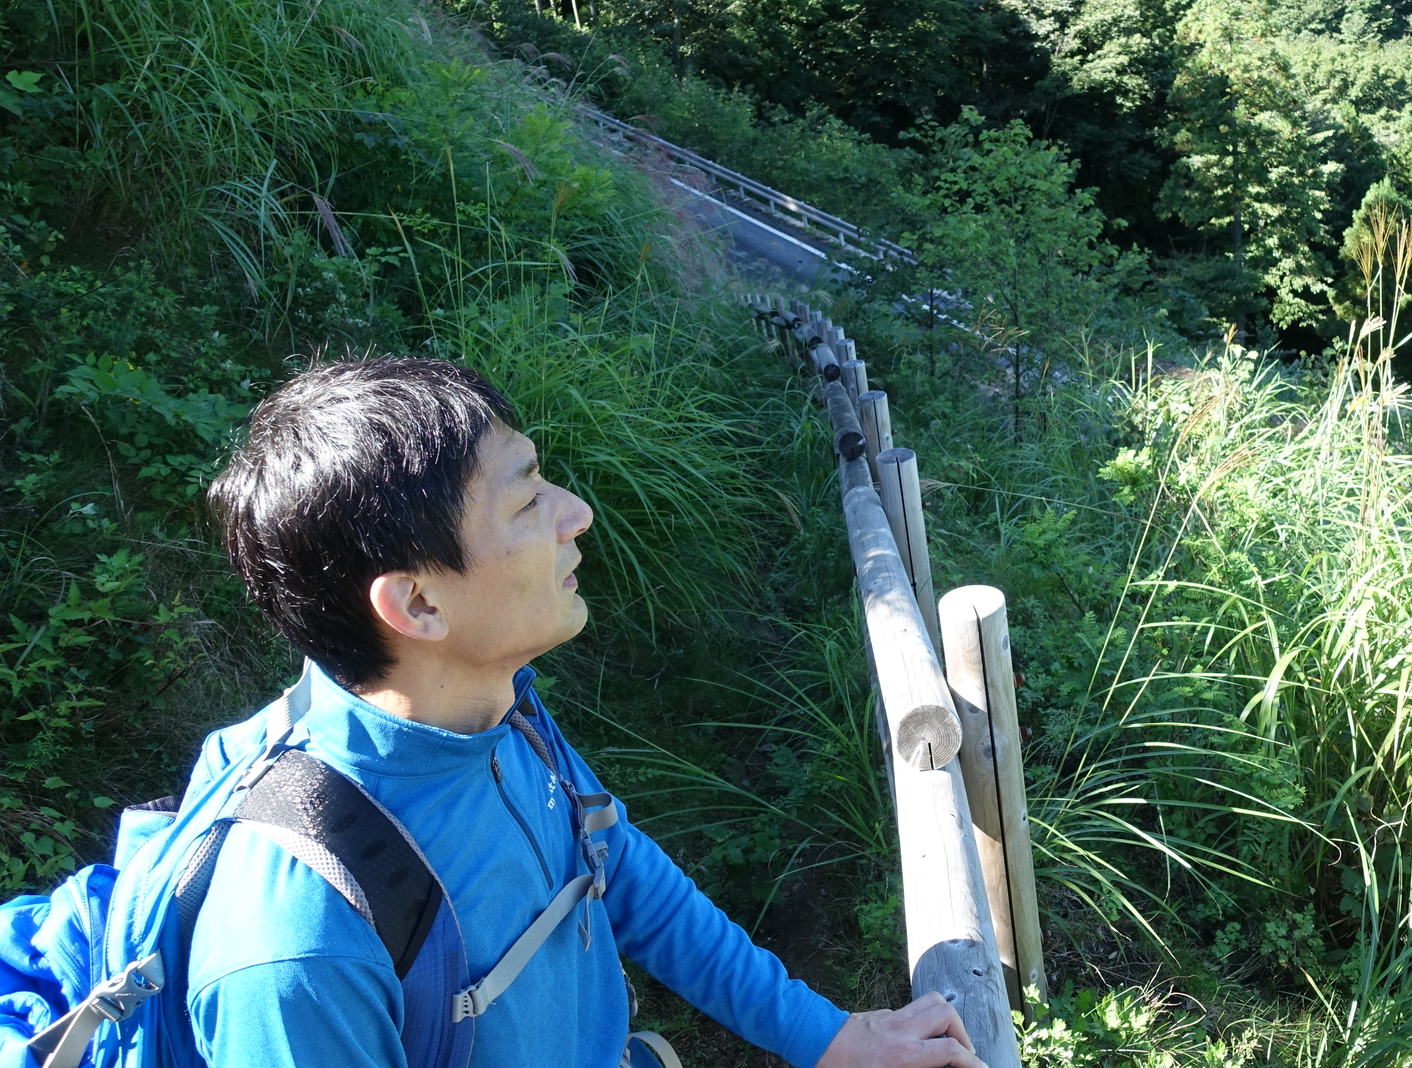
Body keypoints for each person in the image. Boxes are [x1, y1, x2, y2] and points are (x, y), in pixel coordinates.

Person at [191, 356, 983, 1068]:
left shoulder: (496, 710)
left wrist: (826, 1035)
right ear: (419, 602)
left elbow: (617, 866)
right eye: (527, 499)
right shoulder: (296, 950)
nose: (575, 512)